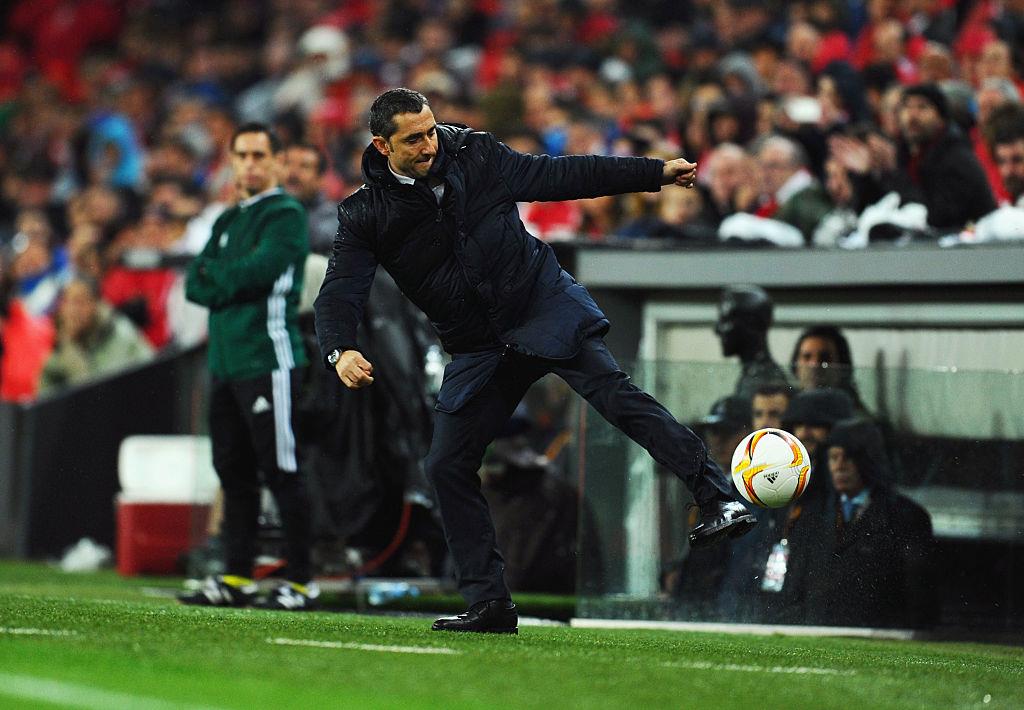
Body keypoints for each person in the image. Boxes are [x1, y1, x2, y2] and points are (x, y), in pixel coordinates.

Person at [314, 88, 755, 634]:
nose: (430, 145)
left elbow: (560, 175)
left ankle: (719, 498)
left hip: (541, 307)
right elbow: (340, 291)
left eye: (431, 130)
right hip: (479, 346)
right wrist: (340, 348)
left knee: (616, 397)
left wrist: (653, 172)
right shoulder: (364, 214)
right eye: (414, 139)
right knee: (446, 465)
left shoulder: (475, 153)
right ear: (383, 146)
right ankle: (489, 603)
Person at [181, 123, 317, 610]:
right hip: (225, 362)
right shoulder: (226, 219)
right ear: (232, 162)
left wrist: (220, 278)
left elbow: (258, 273)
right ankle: (237, 577)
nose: (250, 164)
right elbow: (193, 284)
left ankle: (301, 581)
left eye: (260, 155)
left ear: (277, 161)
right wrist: (226, 280)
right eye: (242, 155)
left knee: (282, 470)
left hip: (268, 358)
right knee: (233, 472)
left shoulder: (286, 214)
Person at [778, 419, 938, 629]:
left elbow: (919, 596)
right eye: (833, 457)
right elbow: (794, 588)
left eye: (848, 457)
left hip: (881, 636)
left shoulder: (906, 516)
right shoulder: (812, 515)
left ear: (868, 460)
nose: (839, 466)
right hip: (817, 635)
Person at [38, 276, 153, 393]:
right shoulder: (58, 348)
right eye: (67, 302)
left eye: (80, 302)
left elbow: (150, 374)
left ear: (96, 304)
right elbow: (46, 395)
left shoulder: (120, 333)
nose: (72, 310)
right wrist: (69, 347)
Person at [715, 285, 789, 400]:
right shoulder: (753, 375)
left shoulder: (764, 381)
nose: (717, 330)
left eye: (726, 320)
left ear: (751, 324)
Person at [788, 324, 868, 415]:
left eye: (825, 358)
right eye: (807, 357)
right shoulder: (784, 407)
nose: (814, 365)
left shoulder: (854, 415)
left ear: (841, 366)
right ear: (796, 366)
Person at [281, 143, 338, 255]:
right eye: (288, 163)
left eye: (304, 166)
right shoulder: (268, 206)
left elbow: (318, 239)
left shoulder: (334, 216)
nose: (293, 172)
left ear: (320, 179)